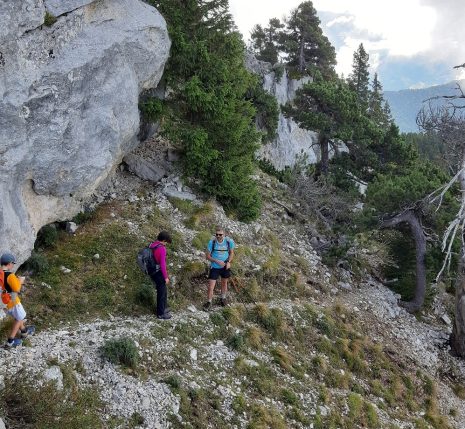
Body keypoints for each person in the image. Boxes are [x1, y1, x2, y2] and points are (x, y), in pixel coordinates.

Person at [0, 253, 35, 347]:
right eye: (13, 263)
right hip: (14, 301)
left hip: (7, 301)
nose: (13, 265)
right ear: (9, 263)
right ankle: (10, 341)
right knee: (20, 318)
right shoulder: (10, 275)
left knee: (18, 317)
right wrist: (21, 281)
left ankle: (24, 331)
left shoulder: (1, 273)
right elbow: (17, 289)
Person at [203, 227, 235, 311]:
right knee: (211, 286)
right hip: (215, 267)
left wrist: (228, 262)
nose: (218, 236)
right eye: (216, 234)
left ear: (224, 234)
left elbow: (231, 253)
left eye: (220, 234)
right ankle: (209, 302)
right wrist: (216, 261)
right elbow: (207, 256)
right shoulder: (212, 242)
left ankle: (223, 298)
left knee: (224, 283)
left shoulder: (229, 242)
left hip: (225, 266)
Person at [149, 231, 172, 320]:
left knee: (163, 291)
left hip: (152, 270)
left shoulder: (153, 244)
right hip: (158, 272)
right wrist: (166, 277)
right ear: (164, 240)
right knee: (161, 292)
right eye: (166, 242)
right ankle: (160, 313)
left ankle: (163, 308)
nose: (166, 244)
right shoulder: (162, 248)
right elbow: (162, 264)